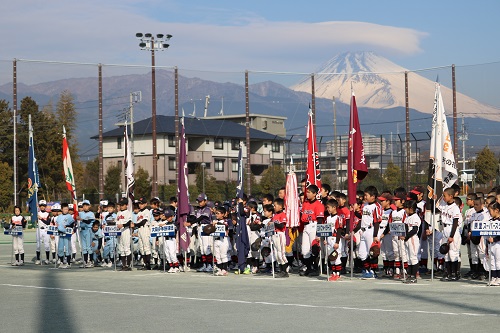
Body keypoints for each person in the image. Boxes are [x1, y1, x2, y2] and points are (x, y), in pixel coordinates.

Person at [354, 186, 382, 279]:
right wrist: (353, 211)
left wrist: (375, 236)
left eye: (366, 195)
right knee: (362, 253)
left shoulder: (376, 206)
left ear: (373, 196)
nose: (365, 197)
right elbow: (361, 216)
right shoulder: (365, 205)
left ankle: (373, 272)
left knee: (373, 252)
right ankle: (367, 270)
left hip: (372, 230)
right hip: (363, 230)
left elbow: (376, 222)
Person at [300, 185, 325, 276]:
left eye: (310, 192)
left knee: (314, 249)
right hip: (306, 226)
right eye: (307, 192)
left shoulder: (319, 204)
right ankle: (308, 268)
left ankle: (316, 268)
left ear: (315, 194)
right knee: (305, 250)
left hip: (314, 225)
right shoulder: (305, 203)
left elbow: (320, 220)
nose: (308, 193)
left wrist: (318, 233)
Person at [438, 188, 462, 281]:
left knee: (453, 253)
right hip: (445, 229)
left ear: (451, 196)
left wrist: (451, 236)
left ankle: (455, 273)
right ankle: (448, 273)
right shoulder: (444, 205)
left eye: (445, 196)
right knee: (446, 254)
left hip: (452, 229)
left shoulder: (455, 207)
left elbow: (455, 222)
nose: (443, 197)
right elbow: (437, 204)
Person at [469, 197, 490, 280]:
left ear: (482, 205)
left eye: (477, 205)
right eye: (474, 204)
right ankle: (475, 271)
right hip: (473, 235)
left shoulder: (485, 215)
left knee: (482, 253)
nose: (475, 206)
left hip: (481, 236)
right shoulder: (473, 214)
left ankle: (483, 271)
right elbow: (470, 224)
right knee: (474, 254)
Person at [325, 199, 345, 281]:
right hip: (329, 239)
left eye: (329, 207)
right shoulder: (328, 218)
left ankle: (338, 273)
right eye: (327, 207)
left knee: (336, 257)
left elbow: (339, 230)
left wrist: (337, 242)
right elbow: (326, 229)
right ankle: (333, 273)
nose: (328, 209)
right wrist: (325, 239)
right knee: (331, 258)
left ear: (334, 207)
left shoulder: (338, 218)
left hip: (335, 239)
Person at [401, 200, 421, 283]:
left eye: (406, 208)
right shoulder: (407, 217)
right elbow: (405, 228)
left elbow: (414, 230)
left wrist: (406, 236)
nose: (405, 209)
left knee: (413, 257)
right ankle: (410, 275)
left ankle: (413, 276)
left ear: (411, 208)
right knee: (409, 258)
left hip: (412, 238)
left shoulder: (415, 217)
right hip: (407, 239)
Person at [378, 193, 394, 277]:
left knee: (390, 252)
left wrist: (384, 233)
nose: (381, 202)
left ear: (388, 201)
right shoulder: (380, 210)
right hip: (380, 231)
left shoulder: (391, 211)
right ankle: (385, 269)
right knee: (383, 252)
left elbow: (390, 224)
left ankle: (391, 269)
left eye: (382, 201)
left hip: (387, 232)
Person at [271, 198, 288, 278]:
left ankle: (285, 270)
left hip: (280, 234)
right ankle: (281, 270)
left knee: (281, 253)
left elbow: (282, 226)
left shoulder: (282, 214)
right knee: (277, 254)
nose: (274, 207)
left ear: (281, 207)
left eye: (275, 205)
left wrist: (274, 223)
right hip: (275, 235)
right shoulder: (275, 215)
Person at [116, 198, 133, 271]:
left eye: (123, 205)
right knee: (121, 249)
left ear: (127, 205)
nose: (121, 206)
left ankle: (128, 265)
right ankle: (123, 265)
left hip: (125, 231)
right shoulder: (118, 213)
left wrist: (122, 225)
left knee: (126, 248)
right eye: (120, 205)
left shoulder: (128, 212)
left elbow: (129, 222)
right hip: (119, 232)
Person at [56, 203, 75, 269]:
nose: (66, 210)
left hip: (67, 234)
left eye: (67, 209)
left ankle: (68, 262)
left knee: (67, 248)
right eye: (65, 209)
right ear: (62, 209)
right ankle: (61, 261)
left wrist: (68, 226)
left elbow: (73, 224)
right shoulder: (59, 216)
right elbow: (57, 224)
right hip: (61, 234)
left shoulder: (69, 216)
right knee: (60, 248)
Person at [135, 197, 152, 270]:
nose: (140, 205)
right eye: (139, 203)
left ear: (145, 204)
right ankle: (144, 264)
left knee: (146, 247)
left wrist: (135, 225)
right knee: (141, 248)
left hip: (145, 228)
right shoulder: (139, 213)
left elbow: (143, 222)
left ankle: (148, 265)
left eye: (142, 203)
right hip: (139, 230)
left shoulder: (147, 211)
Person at [213, 206, 230, 276]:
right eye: (216, 213)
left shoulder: (226, 221)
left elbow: (225, 226)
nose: (216, 215)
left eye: (218, 213)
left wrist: (217, 224)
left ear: (223, 214)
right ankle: (219, 268)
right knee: (217, 256)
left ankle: (225, 269)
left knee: (223, 255)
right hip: (216, 239)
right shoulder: (215, 221)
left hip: (223, 240)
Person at [486, 202, 500, 286]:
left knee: (498, 261)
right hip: (491, 244)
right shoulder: (490, 221)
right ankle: (493, 277)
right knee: (492, 261)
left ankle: (499, 277)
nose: (489, 213)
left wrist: (495, 239)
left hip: (498, 243)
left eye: (490, 211)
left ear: (497, 210)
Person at [78, 200, 95, 268]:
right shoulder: (80, 213)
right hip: (82, 230)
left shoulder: (91, 214)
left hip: (88, 230)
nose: (85, 207)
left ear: (89, 206)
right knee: (84, 247)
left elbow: (88, 222)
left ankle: (90, 261)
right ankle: (85, 261)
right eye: (84, 206)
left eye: (86, 205)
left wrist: (81, 219)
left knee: (89, 247)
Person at [35, 200, 51, 265]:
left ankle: (47, 259)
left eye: (43, 206)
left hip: (45, 230)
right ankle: (38, 259)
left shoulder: (47, 214)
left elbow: (48, 223)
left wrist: (41, 218)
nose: (42, 207)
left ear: (45, 206)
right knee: (38, 245)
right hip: (39, 229)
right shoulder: (37, 213)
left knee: (47, 245)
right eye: (41, 206)